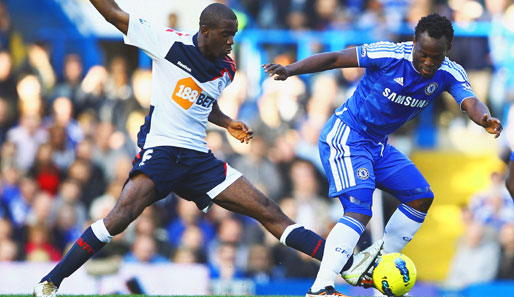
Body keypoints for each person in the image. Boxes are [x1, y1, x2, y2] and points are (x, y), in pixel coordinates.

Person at [33, 2, 375, 296]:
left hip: (198, 158)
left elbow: (201, 102)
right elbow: (112, 13)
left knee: (267, 209)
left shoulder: (226, 67)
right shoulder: (167, 43)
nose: (231, 41)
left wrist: (227, 123)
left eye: (235, 34)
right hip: (164, 151)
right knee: (119, 218)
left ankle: (344, 265)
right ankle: (50, 282)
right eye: (226, 34)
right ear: (205, 30)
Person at [263, 13, 503, 297]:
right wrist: (291, 70)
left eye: (435, 57)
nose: (428, 62)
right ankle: (321, 288)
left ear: (447, 51)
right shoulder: (389, 53)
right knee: (360, 209)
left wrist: (485, 119)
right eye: (423, 54)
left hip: (377, 145)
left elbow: (470, 101)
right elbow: (336, 59)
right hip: (347, 136)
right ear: (413, 42)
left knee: (421, 197)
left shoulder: (450, 72)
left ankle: (377, 263)